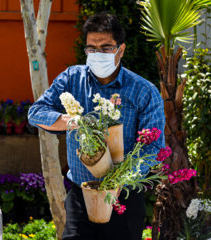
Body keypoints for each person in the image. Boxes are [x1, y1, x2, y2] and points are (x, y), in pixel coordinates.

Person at [28, 12, 165, 240]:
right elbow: (36, 112)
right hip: (81, 196)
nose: (97, 54)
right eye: (91, 48)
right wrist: (71, 121)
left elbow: (155, 149)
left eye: (105, 47)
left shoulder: (144, 91)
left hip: (124, 200)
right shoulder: (72, 78)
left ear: (121, 50)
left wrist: (122, 179)